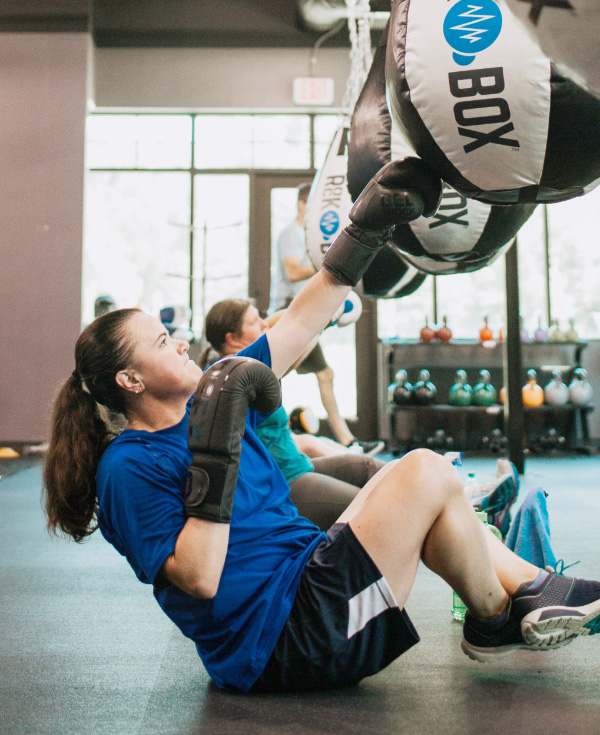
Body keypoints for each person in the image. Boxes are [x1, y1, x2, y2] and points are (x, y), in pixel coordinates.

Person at [43, 159, 600, 695]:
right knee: (425, 473)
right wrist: (216, 447)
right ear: (131, 380)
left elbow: (306, 317)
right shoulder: (128, 465)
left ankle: (509, 607)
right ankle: (511, 607)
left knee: (422, 484)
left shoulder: (216, 391)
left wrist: (366, 228)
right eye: (163, 342)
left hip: (312, 579)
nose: (182, 340)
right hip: (286, 640)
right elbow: (199, 577)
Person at [199, 297, 386, 530]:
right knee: (375, 508)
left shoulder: (247, 362)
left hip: (298, 465)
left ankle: (436, 486)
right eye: (255, 321)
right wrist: (325, 317)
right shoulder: (236, 375)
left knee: (371, 469)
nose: (264, 324)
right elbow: (295, 349)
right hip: (284, 481)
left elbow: (282, 324)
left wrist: (327, 311)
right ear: (232, 338)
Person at [271, 181, 382, 455]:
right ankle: (274, 436)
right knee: (276, 375)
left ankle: (347, 442)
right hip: (288, 312)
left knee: (322, 374)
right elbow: (294, 272)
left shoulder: (309, 235)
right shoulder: (291, 233)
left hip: (305, 311)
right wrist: (328, 262)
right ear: (301, 204)